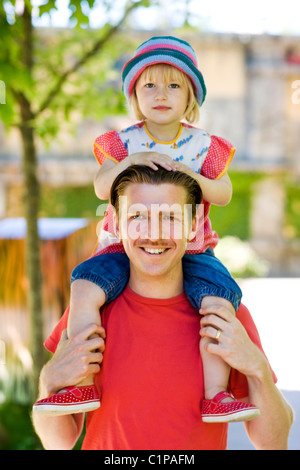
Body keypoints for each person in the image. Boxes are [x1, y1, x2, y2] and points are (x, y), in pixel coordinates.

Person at [34, 35, 250, 421]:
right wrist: (130, 161)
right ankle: (80, 380)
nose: (161, 94)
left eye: (173, 85)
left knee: (218, 298)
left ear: (190, 98)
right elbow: (102, 186)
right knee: (84, 286)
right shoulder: (122, 142)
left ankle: (216, 393)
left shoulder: (202, 146)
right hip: (123, 243)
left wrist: (193, 178)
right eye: (149, 84)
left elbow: (226, 192)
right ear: (134, 95)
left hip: (192, 245)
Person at [32, 165, 293, 450]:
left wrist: (257, 368)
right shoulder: (88, 311)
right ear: (117, 224)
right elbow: (58, 443)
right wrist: (49, 382)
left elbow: (274, 443)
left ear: (193, 226)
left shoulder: (225, 314)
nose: (153, 234)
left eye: (170, 217)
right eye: (137, 217)